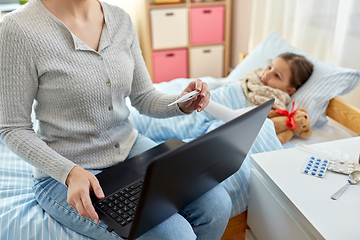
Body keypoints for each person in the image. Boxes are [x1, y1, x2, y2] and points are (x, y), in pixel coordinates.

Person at [0, 0, 232, 240]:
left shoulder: (120, 19)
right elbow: (12, 128)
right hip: (67, 171)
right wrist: (69, 173)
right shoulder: (19, 28)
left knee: (217, 205)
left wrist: (182, 103)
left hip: (129, 148)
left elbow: (144, 97)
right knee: (175, 235)